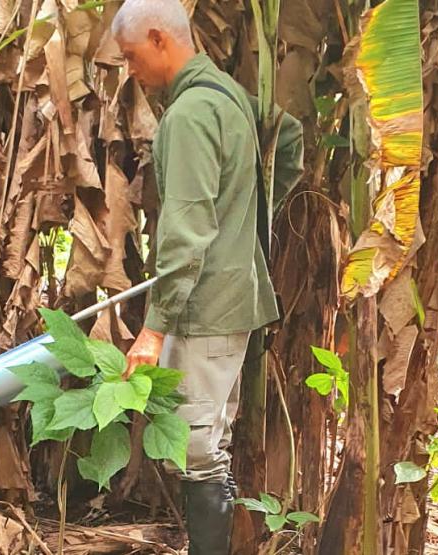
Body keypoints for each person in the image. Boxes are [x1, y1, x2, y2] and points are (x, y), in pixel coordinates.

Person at [111, 0, 303, 553]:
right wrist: (249, 218)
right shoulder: (228, 95)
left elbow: (186, 230)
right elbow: (287, 138)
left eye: (130, 56)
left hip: (203, 308)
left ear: (158, 38)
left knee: (197, 449)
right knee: (206, 440)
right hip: (230, 297)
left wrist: (154, 329)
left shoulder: (192, 112)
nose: (131, 70)